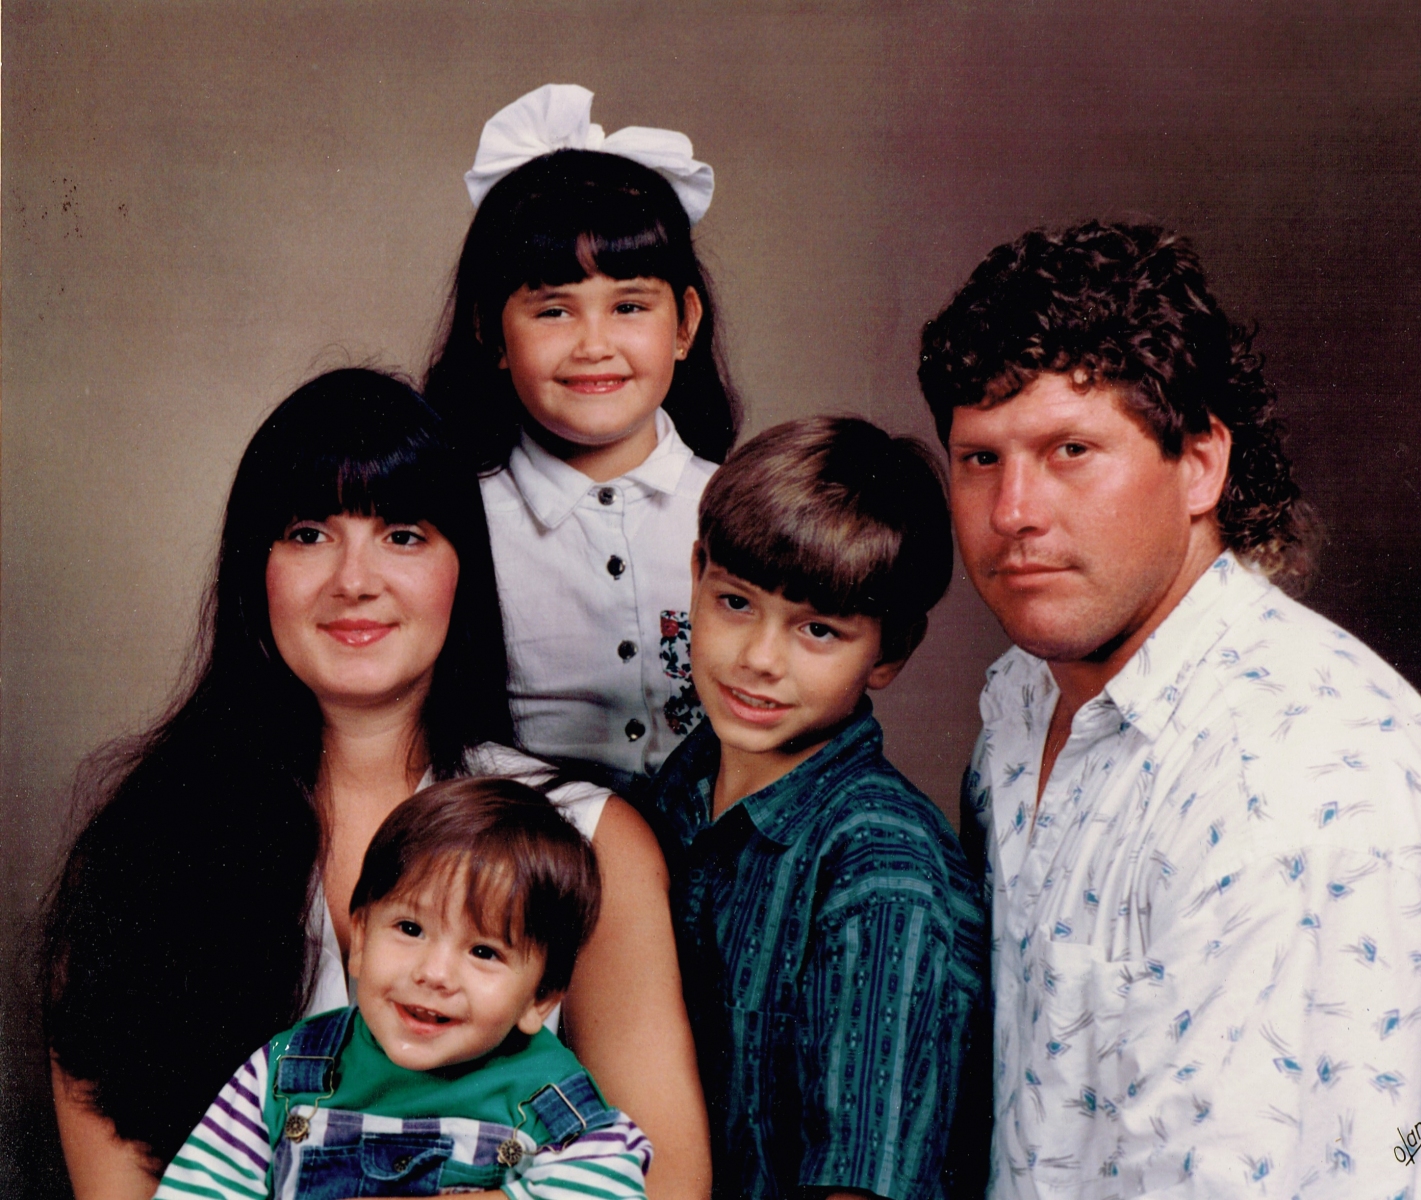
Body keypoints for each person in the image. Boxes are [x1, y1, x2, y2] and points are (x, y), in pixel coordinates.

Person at [917, 221, 1421, 1198]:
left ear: (1200, 464)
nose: (1011, 511)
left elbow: (1386, 1143)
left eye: (1070, 449)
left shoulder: (1297, 788)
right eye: (979, 459)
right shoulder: (1025, 703)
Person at [42, 369, 707, 1200]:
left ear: (463, 569)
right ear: (254, 570)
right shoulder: (141, 849)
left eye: (402, 534)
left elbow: (666, 1180)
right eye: (308, 533)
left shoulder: (586, 838)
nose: (354, 580)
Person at [642, 416, 986, 1199]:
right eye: (735, 602)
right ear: (694, 574)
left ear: (888, 652)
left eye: (818, 630)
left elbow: (861, 1182)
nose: (759, 659)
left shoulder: (882, 870)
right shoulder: (675, 793)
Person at [425, 84, 740, 794]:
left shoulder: (739, 507)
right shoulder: (459, 519)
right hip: (522, 846)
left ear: (685, 324)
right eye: (553, 311)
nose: (594, 345)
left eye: (629, 306)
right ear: (490, 332)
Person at [155, 777, 652, 1200]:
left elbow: (609, 1188)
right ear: (361, 940)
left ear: (540, 998)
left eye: (484, 952)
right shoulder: (285, 1072)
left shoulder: (546, 1097)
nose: (434, 974)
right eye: (410, 929)